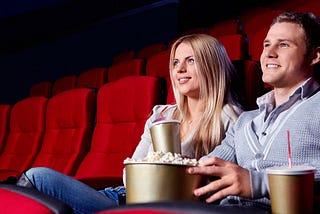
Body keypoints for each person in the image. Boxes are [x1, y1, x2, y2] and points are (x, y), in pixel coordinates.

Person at [16, 34, 243, 214]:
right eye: (175, 62)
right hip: (122, 195)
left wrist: (162, 171)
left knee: (38, 178)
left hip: (156, 207)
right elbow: (129, 172)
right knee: (32, 190)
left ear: (211, 66)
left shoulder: (231, 119)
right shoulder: (161, 114)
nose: (179, 69)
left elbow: (220, 185)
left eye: (190, 60)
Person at [187, 11, 320, 211]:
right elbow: (207, 167)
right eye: (267, 44)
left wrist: (258, 183)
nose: (269, 53)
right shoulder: (246, 120)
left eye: (283, 44)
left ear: (314, 56)